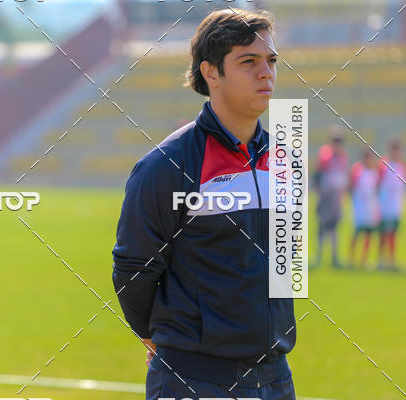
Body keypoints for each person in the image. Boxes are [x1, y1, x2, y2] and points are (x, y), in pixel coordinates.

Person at [112, 8, 296, 400]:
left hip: (276, 379)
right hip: (194, 381)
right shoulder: (166, 165)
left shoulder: (283, 160)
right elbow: (133, 269)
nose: (266, 73)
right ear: (211, 72)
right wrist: (160, 339)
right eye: (248, 61)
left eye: (271, 60)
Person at [313, 126, 349, 268]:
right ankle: (319, 256)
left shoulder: (342, 156)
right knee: (322, 225)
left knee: (334, 227)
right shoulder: (325, 154)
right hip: (326, 195)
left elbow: (343, 177)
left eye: (339, 141)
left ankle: (334, 257)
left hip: (336, 197)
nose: (337, 143)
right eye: (335, 140)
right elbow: (318, 174)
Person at [348, 149, 380, 269]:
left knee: (368, 234)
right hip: (359, 208)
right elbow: (351, 187)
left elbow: (376, 191)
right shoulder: (358, 171)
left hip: (370, 209)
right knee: (356, 234)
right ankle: (351, 258)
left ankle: (364, 259)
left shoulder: (374, 174)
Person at [378, 139, 405, 270]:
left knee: (393, 234)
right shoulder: (384, 165)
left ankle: (391, 260)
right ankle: (381, 260)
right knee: (383, 234)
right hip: (384, 207)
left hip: (396, 207)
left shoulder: (401, 167)